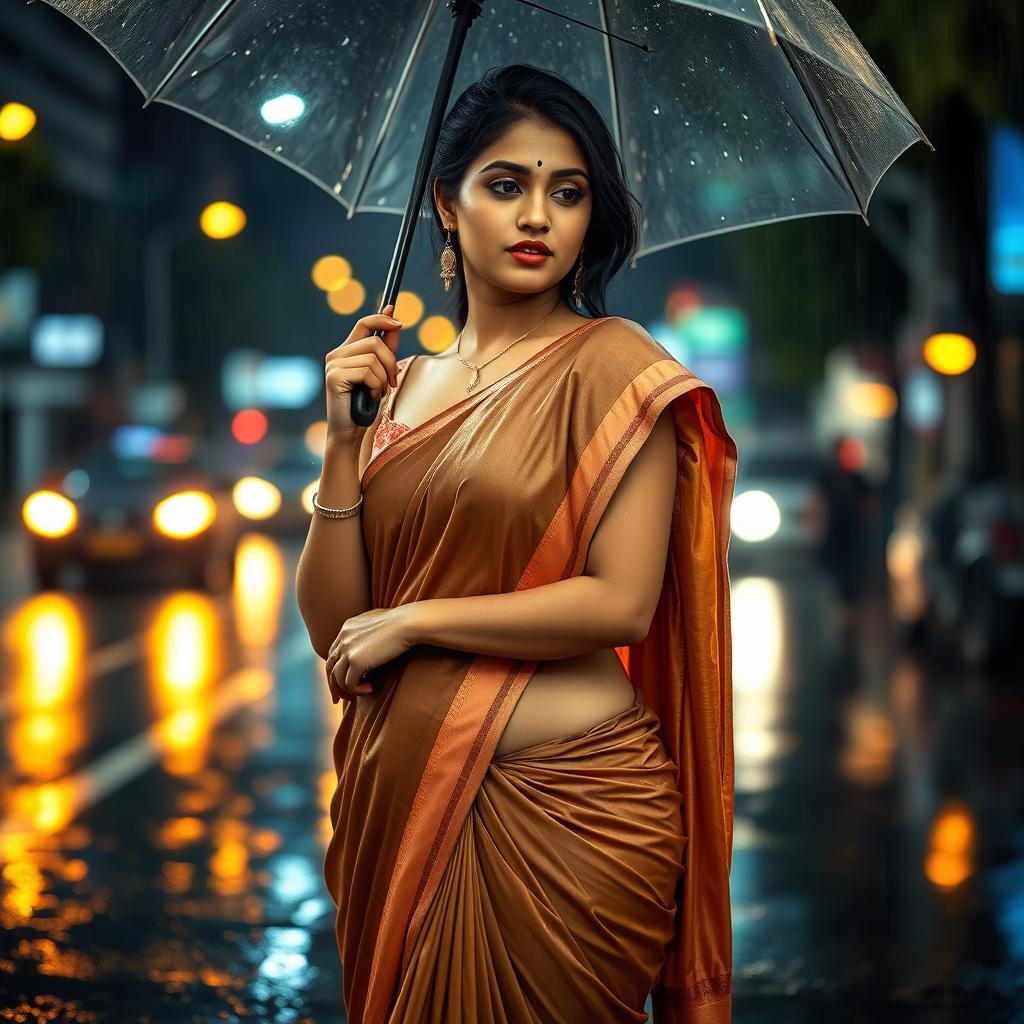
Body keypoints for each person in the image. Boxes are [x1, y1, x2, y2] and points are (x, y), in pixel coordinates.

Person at [295, 64, 737, 1024]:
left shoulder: (621, 372)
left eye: (566, 193)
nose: (538, 215)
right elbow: (338, 626)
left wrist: (417, 620)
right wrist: (341, 442)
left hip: (576, 822)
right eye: (507, 185)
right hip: (401, 798)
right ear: (446, 208)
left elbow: (620, 602)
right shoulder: (394, 390)